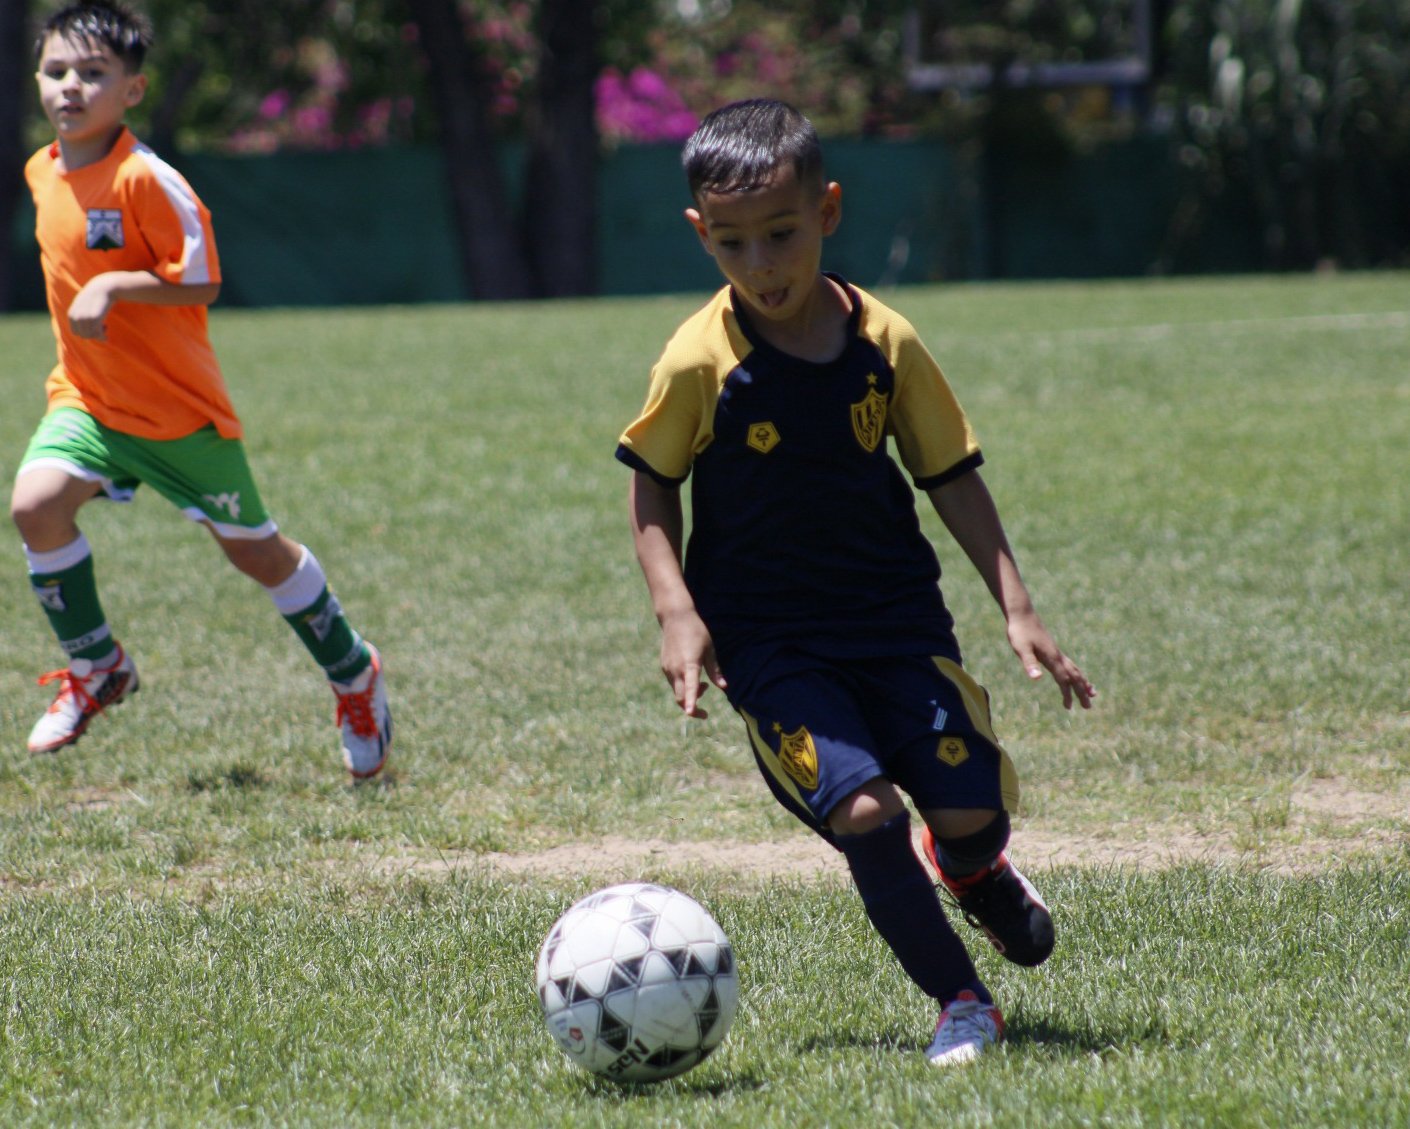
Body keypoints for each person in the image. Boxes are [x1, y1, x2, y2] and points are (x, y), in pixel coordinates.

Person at [616, 99, 1094, 1066]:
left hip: (896, 621)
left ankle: (971, 868)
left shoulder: (887, 341)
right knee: (866, 810)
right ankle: (963, 1000)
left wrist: (1018, 606)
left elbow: (950, 473)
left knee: (970, 813)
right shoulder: (699, 361)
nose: (762, 265)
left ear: (827, 211)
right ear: (700, 234)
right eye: (734, 243)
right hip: (769, 642)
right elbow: (653, 488)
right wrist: (678, 612)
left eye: (782, 234)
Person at [11, 1, 392, 778]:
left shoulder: (147, 177)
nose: (71, 87)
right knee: (34, 505)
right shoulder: (40, 170)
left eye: (93, 74)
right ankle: (97, 668)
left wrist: (116, 285)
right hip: (86, 401)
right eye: (57, 71)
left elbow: (204, 276)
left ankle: (354, 670)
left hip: (178, 416)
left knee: (256, 555)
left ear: (133, 90)